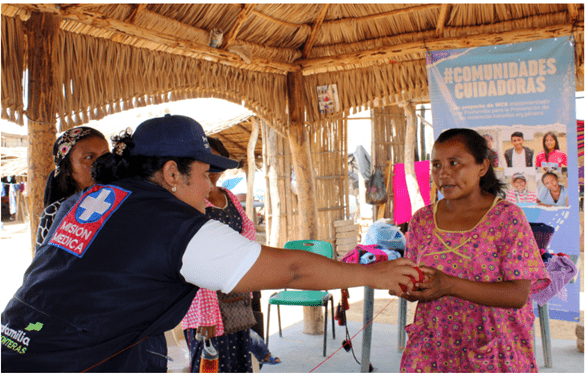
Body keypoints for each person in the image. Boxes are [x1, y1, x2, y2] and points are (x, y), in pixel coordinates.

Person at [1, 114, 419, 373]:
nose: (207, 188)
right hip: (72, 361)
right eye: (203, 173)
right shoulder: (171, 222)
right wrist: (373, 272)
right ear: (171, 173)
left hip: (13, 342)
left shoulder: (91, 198)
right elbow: (292, 269)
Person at [399, 128, 550, 373]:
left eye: (454, 163)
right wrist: (413, 290)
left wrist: (449, 285)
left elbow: (517, 295)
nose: (444, 173)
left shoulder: (507, 218)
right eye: (436, 165)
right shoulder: (422, 219)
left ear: (482, 167)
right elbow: (417, 280)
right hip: (434, 348)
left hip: (493, 349)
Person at [181, 136, 276, 372]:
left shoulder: (228, 196)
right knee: (211, 363)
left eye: (218, 165)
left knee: (240, 361)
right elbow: (194, 261)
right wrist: (205, 315)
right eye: (206, 166)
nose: (213, 172)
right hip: (206, 304)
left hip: (236, 299)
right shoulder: (189, 202)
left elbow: (248, 236)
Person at [35, 126, 110, 250]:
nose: (102, 163)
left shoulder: (126, 201)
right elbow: (45, 264)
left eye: (105, 155)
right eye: (89, 157)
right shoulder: (54, 214)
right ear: (68, 169)